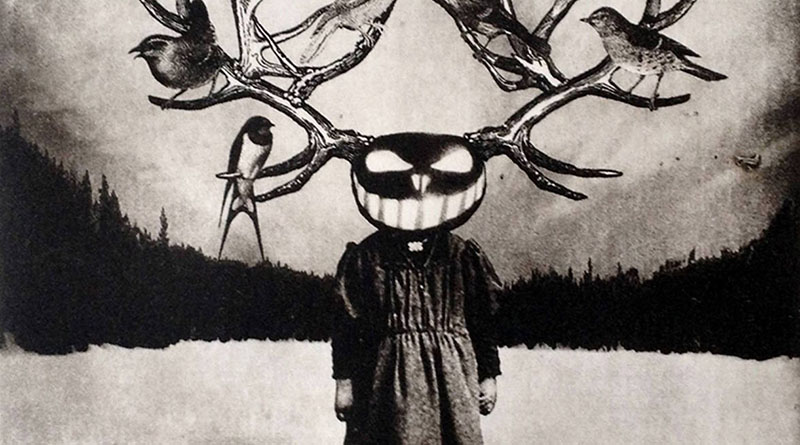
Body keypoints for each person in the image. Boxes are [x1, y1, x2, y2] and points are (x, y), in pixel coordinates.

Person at [331, 230, 501, 444]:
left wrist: (488, 376)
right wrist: (344, 383)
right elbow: (347, 326)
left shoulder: (460, 253)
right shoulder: (368, 255)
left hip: (452, 380)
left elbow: (482, 322)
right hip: (386, 381)